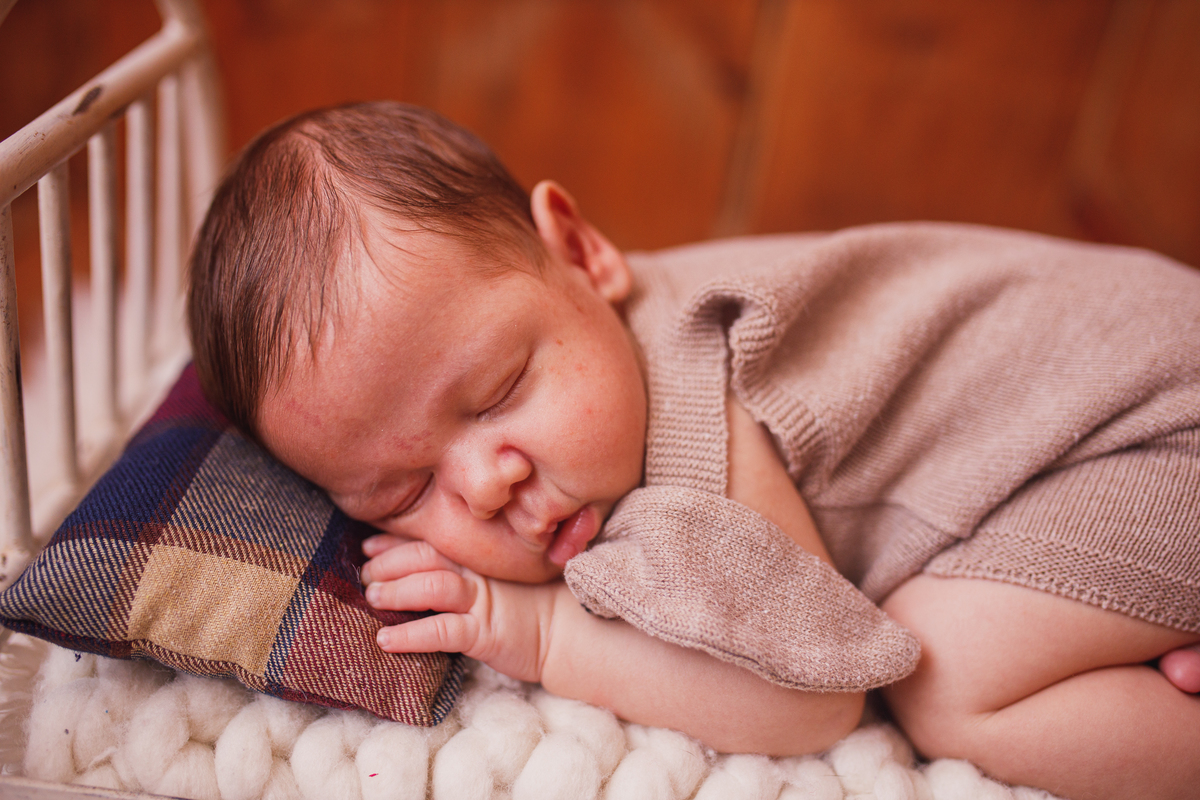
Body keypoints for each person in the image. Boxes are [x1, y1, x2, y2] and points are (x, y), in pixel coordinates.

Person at [188, 101, 1200, 799]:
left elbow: (816, 696)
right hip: (1119, 406)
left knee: (948, 676)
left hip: (1160, 420)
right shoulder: (585, 336)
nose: (487, 482)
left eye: (500, 391)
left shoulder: (690, 446)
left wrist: (533, 631)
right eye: (403, 489)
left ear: (583, 254)